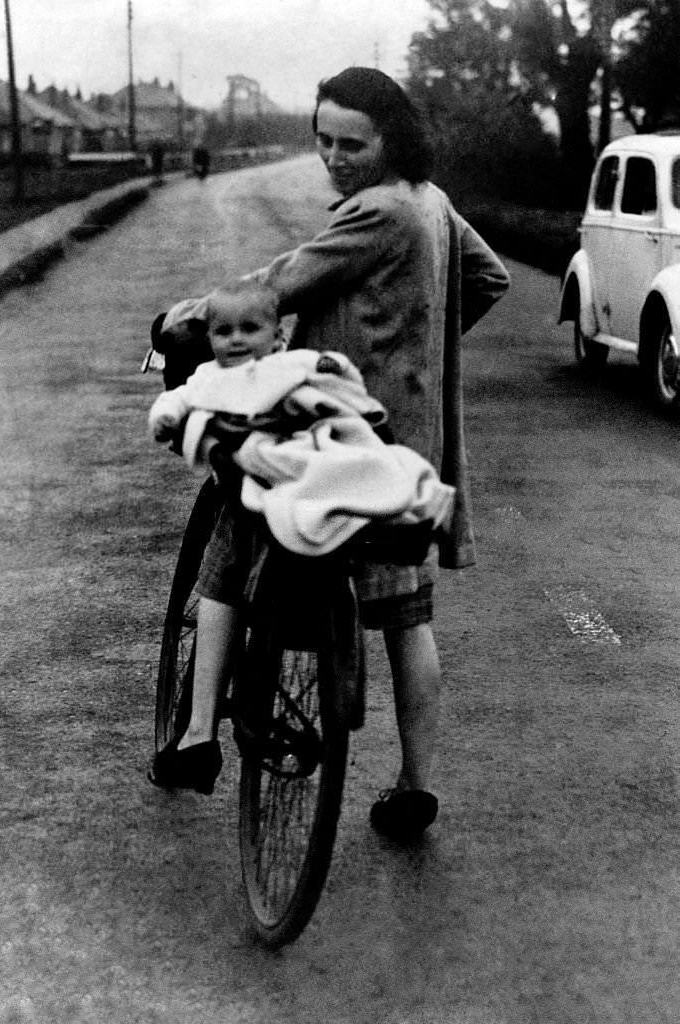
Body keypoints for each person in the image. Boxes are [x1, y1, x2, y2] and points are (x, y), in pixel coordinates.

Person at [151, 67, 510, 841]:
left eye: (354, 142)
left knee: (226, 561)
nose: (335, 156)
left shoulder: (376, 212)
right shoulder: (432, 201)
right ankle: (416, 787)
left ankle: (196, 738)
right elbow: (488, 277)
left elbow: (275, 287)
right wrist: (415, 344)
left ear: (391, 139)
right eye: (324, 140)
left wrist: (178, 325)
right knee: (408, 616)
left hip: (332, 447)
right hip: (408, 456)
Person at [149, 278, 455, 555]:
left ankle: (401, 515)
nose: (236, 340)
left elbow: (326, 371)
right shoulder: (209, 375)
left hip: (300, 439)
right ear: (211, 338)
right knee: (300, 491)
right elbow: (179, 397)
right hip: (257, 452)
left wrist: (333, 366)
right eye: (223, 332)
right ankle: (363, 530)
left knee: (364, 463)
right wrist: (165, 418)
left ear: (276, 337)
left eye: (250, 329)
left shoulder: (288, 363)